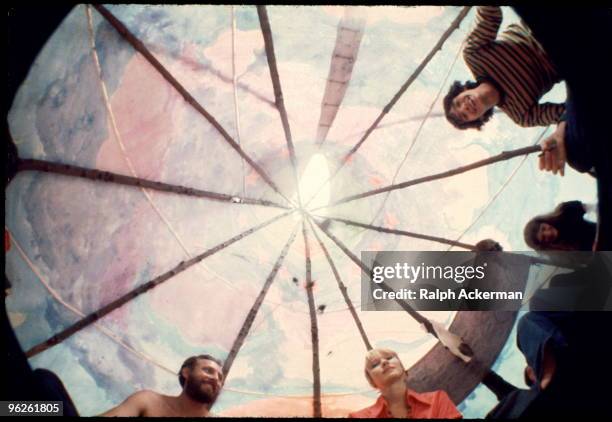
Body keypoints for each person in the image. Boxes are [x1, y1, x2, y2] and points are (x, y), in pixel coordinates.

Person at [444, 6, 564, 132]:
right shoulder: (522, 115)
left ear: (462, 90)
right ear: (479, 119)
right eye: (464, 116)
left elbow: (490, 16)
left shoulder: (474, 55)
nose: (465, 108)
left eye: (457, 103)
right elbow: (563, 114)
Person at [348, 348, 461, 419]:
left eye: (389, 357)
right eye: (374, 365)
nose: (384, 362)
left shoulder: (437, 400)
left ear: (402, 368)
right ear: (372, 381)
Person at [101, 354, 224, 417]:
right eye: (208, 371)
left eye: (220, 378)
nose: (215, 379)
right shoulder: (148, 401)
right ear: (186, 372)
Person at [523, 201, 596, 251]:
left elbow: (594, 207)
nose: (548, 233)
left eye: (543, 228)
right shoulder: (564, 256)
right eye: (544, 238)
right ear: (544, 245)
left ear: (544, 221)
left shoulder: (565, 210)